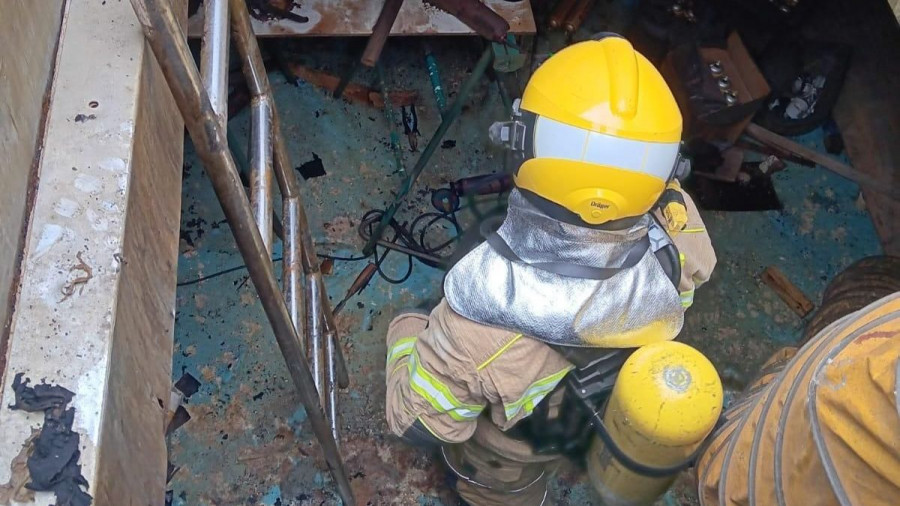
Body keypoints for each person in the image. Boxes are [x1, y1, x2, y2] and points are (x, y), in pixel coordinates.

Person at [384, 35, 716, 505]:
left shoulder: (472, 330)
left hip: (512, 452)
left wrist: (407, 328)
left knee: (497, 486)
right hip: (603, 418)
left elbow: (417, 422)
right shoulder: (682, 233)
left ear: (521, 147)